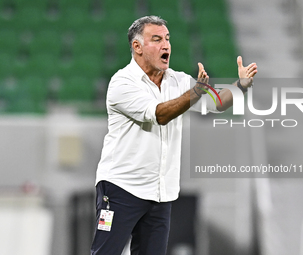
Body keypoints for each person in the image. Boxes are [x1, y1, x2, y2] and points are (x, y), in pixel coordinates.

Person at [90, 15, 257, 255]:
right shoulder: (122, 83)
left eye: (167, 39)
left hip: (160, 194)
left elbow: (217, 103)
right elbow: (159, 114)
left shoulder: (179, 81)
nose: (166, 45)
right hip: (121, 189)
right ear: (137, 47)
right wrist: (194, 94)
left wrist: (240, 86)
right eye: (156, 39)